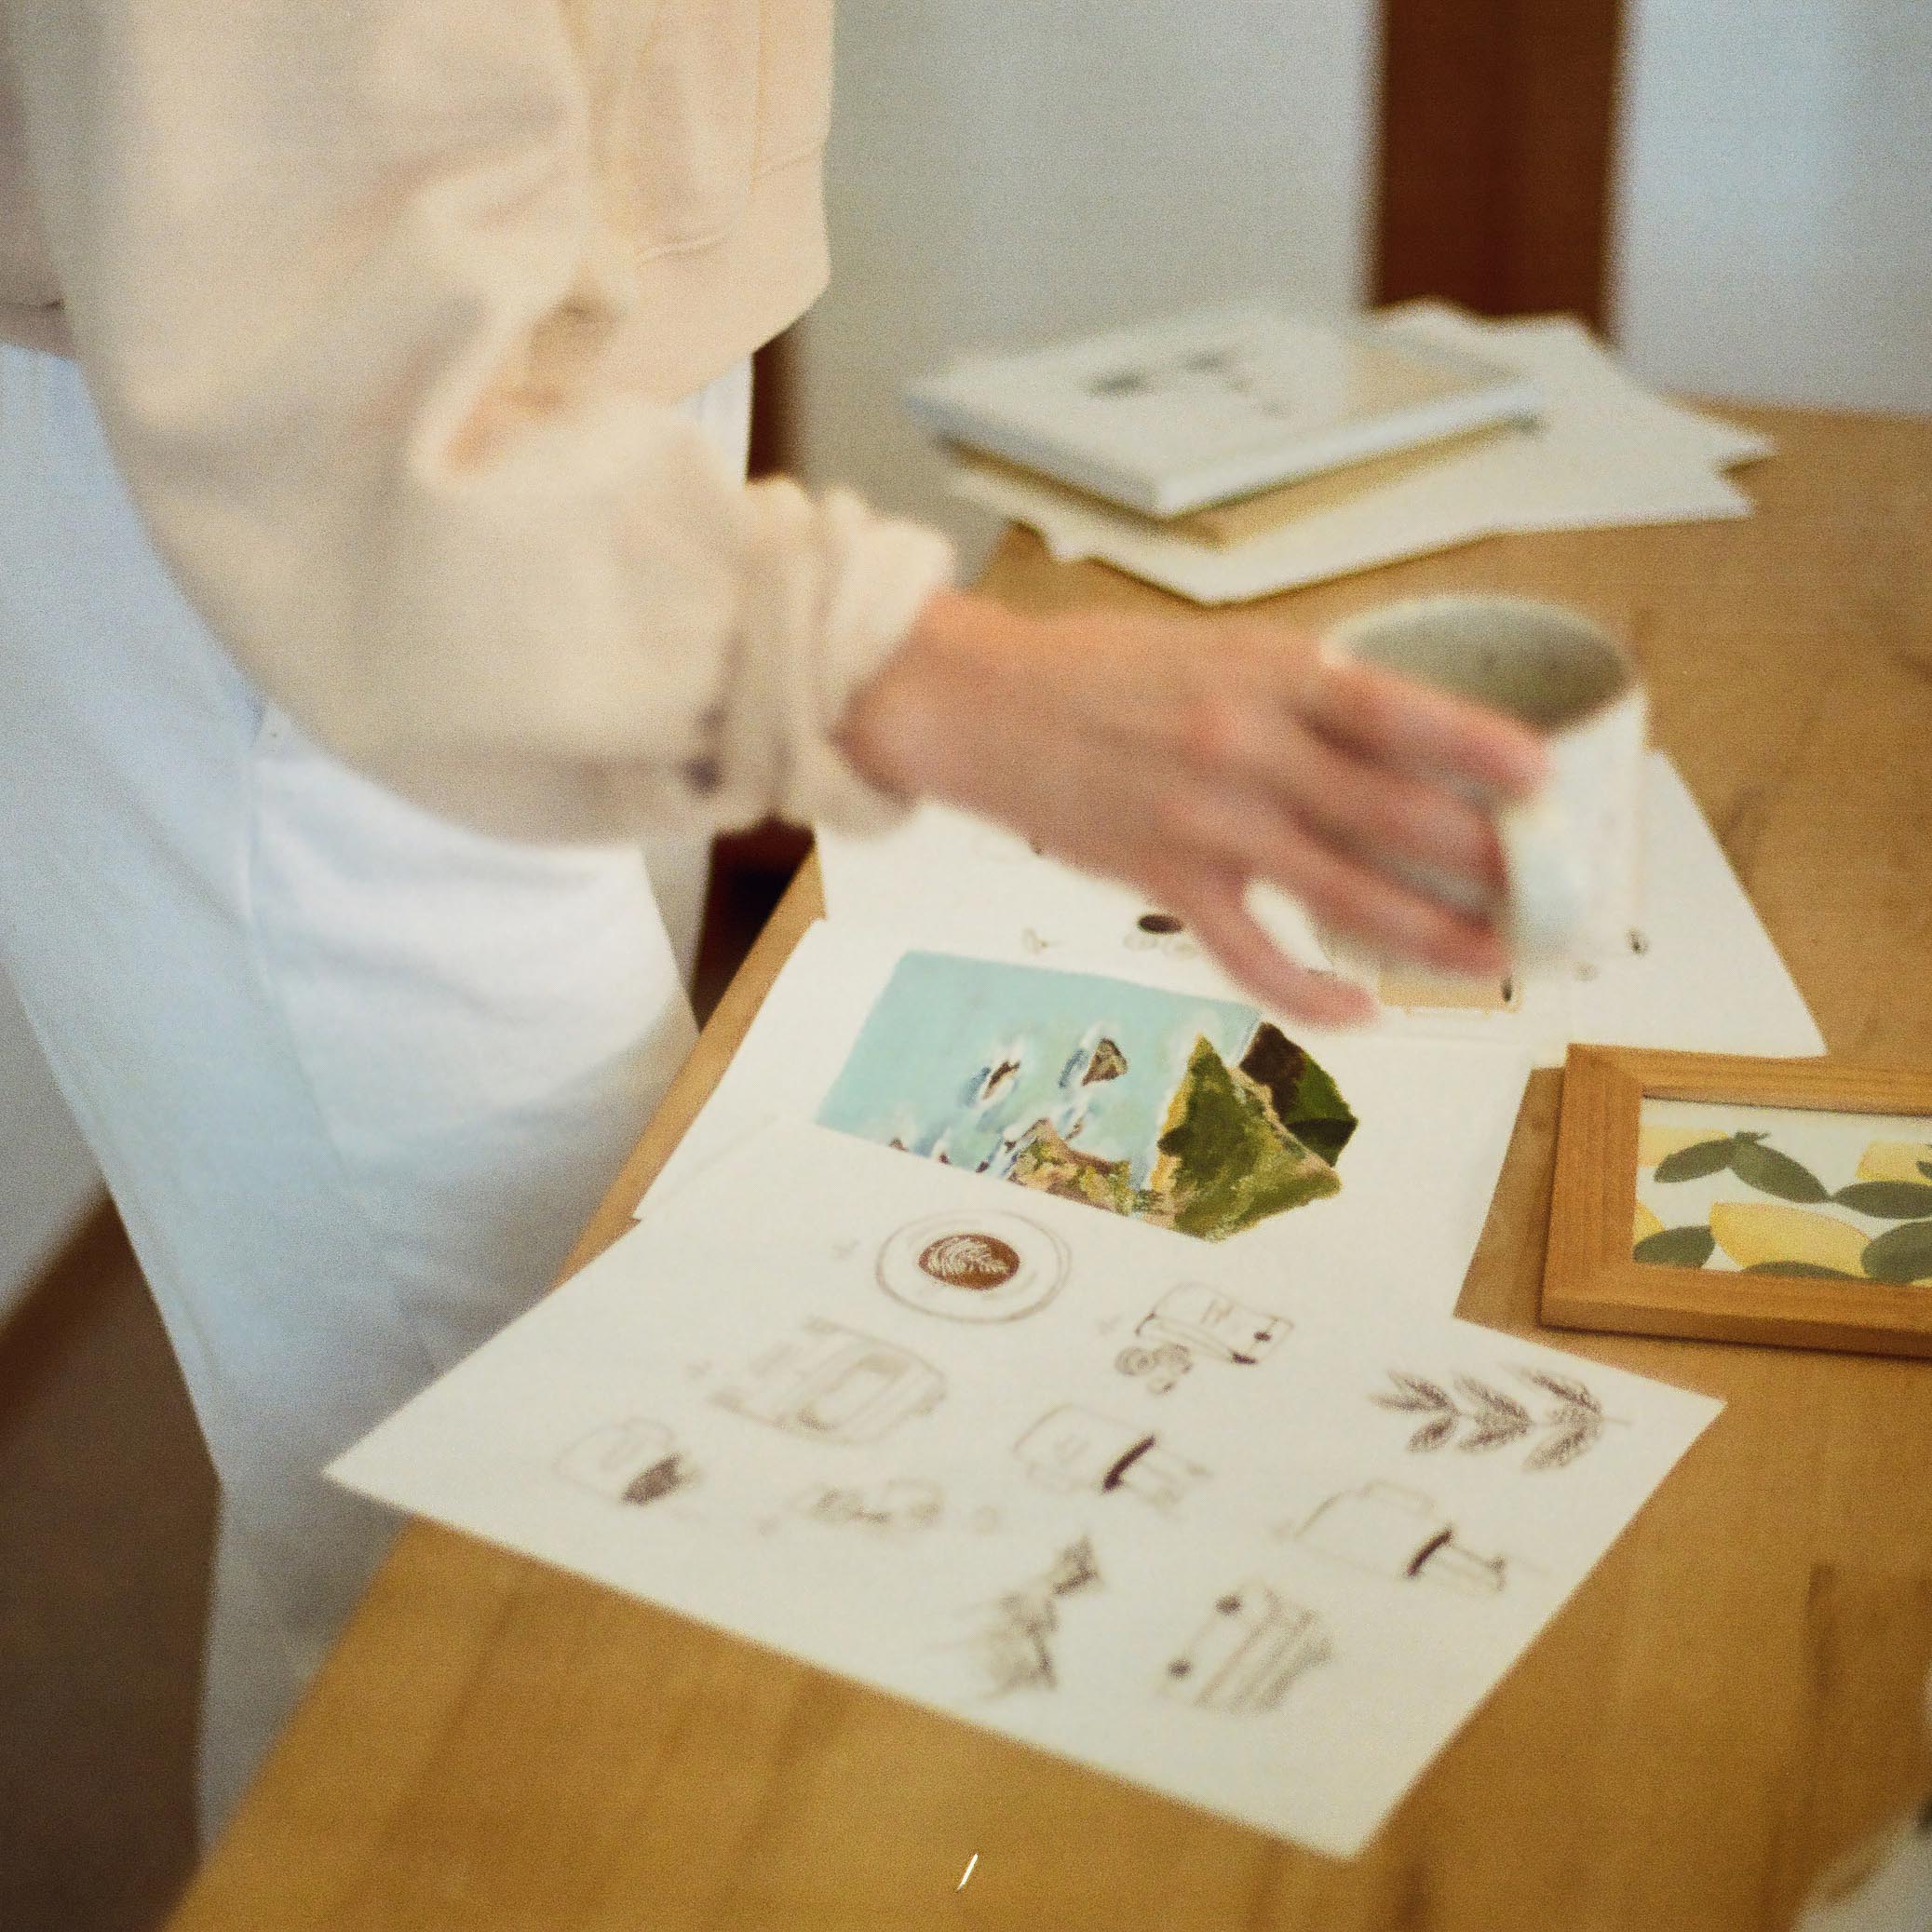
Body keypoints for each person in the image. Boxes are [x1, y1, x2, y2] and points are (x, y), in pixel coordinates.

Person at [0, 4, 1546, 1839]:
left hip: (561, 416)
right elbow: (314, 356)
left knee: (451, 1542)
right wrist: (936, 683)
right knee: (522, 1566)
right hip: (313, 546)